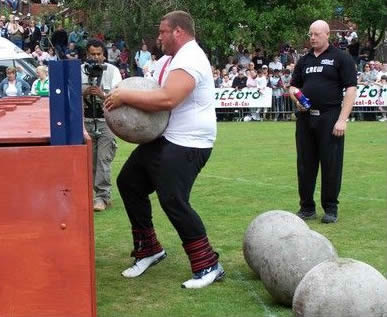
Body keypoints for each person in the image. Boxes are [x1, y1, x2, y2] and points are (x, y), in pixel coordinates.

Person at [103, 10, 225, 289]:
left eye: (162, 32)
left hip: (190, 142)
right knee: (129, 183)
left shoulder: (191, 58)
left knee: (173, 199)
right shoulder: (171, 60)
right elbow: (149, 91)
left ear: (178, 32)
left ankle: (209, 264)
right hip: (167, 138)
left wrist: (124, 95)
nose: (159, 38)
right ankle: (149, 249)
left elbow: (167, 98)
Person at [289, 20, 357, 223]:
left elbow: (351, 89)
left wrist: (342, 120)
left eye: (317, 34)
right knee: (305, 164)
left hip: (330, 117)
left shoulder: (341, 58)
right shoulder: (304, 60)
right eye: (310, 34)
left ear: (328, 34)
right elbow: (293, 87)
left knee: (331, 164)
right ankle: (306, 208)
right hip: (305, 118)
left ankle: (330, 208)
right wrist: (297, 99)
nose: (312, 37)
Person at [81, 39, 122, 211]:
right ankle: (95, 194)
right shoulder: (80, 70)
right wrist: (84, 92)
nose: (96, 57)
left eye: (99, 54)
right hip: (86, 121)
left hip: (107, 122)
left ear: (104, 55)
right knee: (90, 162)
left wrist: (102, 94)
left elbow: (120, 96)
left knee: (103, 160)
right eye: (93, 54)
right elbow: (70, 95)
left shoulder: (112, 71)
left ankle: (102, 197)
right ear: (87, 54)